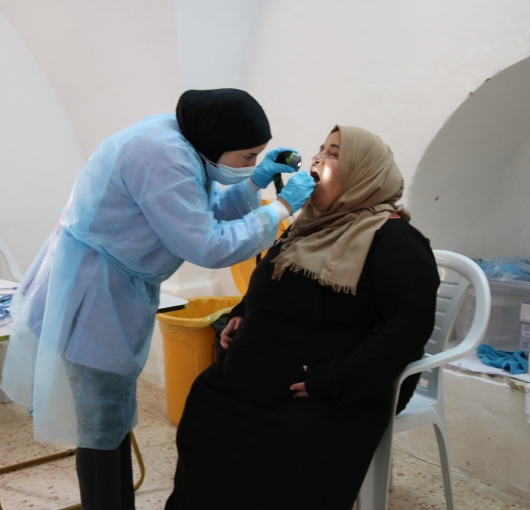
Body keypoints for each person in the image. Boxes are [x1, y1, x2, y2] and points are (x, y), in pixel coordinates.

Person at [0, 89, 316, 510]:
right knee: (98, 428)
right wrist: (278, 208)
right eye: (248, 158)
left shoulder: (184, 140)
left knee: (108, 424)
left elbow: (195, 210)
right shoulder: (160, 155)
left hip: (111, 285)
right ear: (215, 142)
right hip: (94, 293)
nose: (252, 166)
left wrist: (252, 183)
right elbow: (207, 244)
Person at [165, 126, 440, 510]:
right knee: (206, 406)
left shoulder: (396, 242)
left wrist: (330, 380)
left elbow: (405, 332)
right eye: (320, 150)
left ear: (365, 172)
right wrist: (242, 314)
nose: (317, 160)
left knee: (283, 447)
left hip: (332, 389)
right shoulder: (310, 227)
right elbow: (273, 282)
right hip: (255, 373)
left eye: (334, 153)